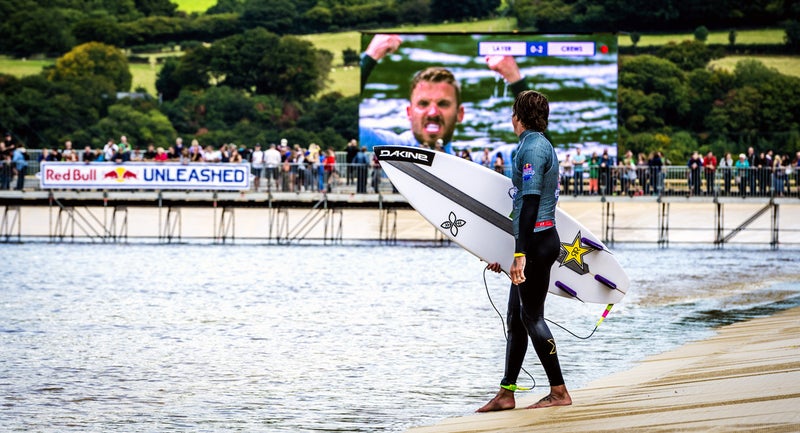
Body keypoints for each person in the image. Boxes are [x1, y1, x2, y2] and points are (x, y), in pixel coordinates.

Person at [478, 90, 570, 413]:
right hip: (536, 240)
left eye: (512, 113)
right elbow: (520, 206)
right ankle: (507, 393)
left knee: (532, 317)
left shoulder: (531, 147)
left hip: (537, 242)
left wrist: (520, 254)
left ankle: (558, 391)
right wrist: (503, 250)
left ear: (518, 116)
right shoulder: (538, 144)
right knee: (516, 319)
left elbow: (529, 203)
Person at [360, 34, 527, 154]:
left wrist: (515, 80)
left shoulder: (476, 163)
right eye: (423, 104)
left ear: (460, 114)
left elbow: (543, 157)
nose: (433, 113)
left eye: (443, 104)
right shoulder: (384, 148)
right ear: (409, 113)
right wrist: (370, 57)